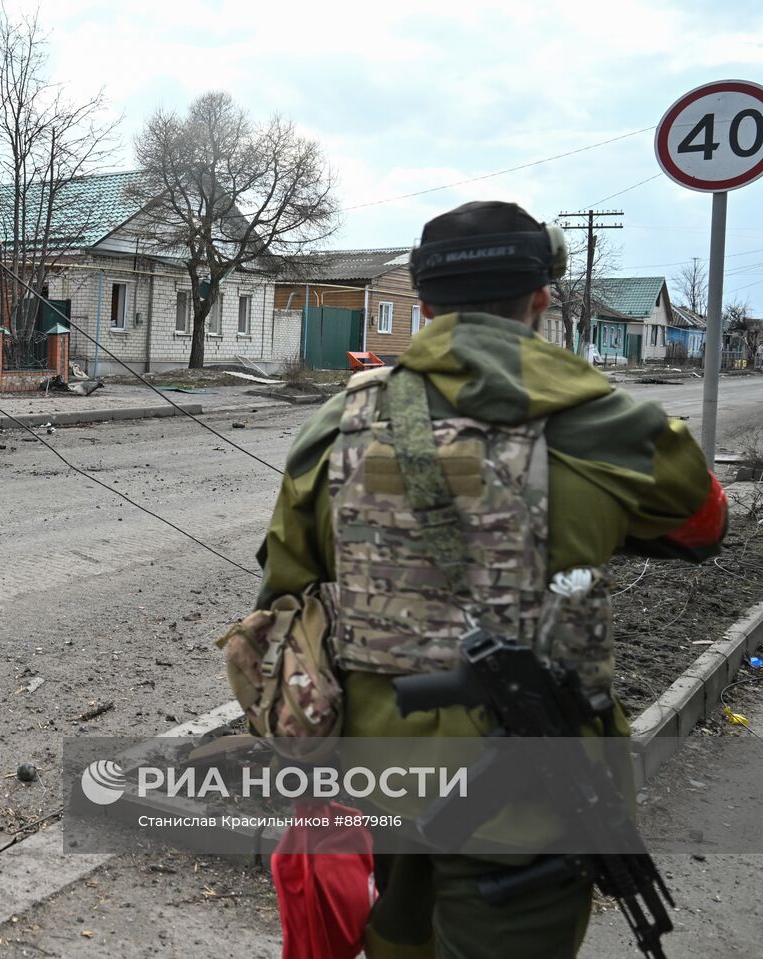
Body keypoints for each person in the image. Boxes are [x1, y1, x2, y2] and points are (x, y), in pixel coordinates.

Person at [257, 200, 728, 959]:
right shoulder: (620, 427)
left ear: (425, 306)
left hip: (374, 785)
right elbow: (704, 528)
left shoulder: (335, 425)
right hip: (532, 803)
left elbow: (285, 598)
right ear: (541, 298)